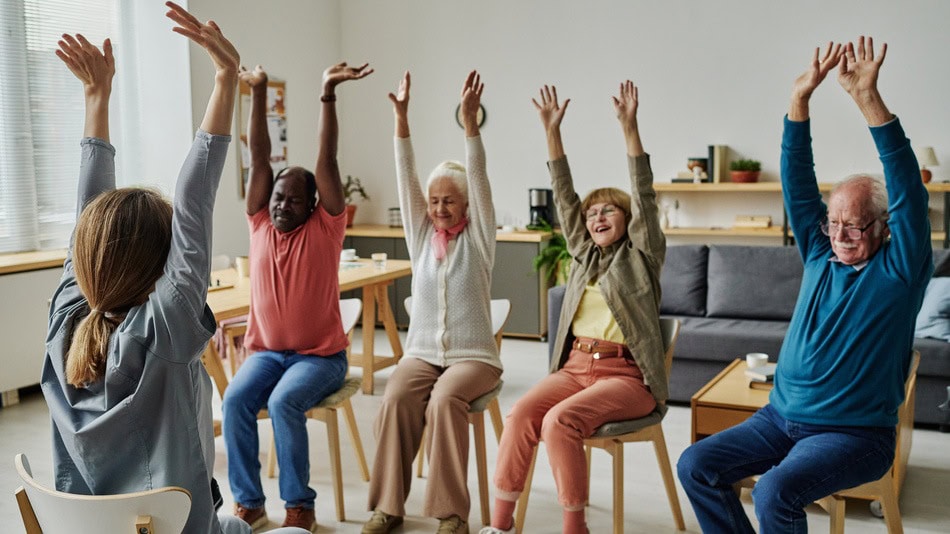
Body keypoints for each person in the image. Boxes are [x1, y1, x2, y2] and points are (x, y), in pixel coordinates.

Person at [39, 4, 306, 534]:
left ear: (84, 261)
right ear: (163, 266)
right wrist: (227, 79)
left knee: (235, 524)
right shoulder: (166, 329)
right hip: (184, 530)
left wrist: (96, 98)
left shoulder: (65, 321)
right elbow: (194, 201)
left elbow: (98, 220)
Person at [677, 37, 932, 533]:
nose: (839, 236)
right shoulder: (820, 252)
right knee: (696, 466)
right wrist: (798, 104)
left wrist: (867, 100)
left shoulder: (899, 270)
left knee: (774, 491)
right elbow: (797, 183)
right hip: (779, 419)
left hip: (854, 434)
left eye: (854, 226)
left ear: (884, 227)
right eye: (832, 223)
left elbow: (907, 189)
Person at [477, 81, 667, 534]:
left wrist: (629, 127)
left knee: (560, 422)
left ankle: (573, 527)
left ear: (627, 221)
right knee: (522, 414)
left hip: (626, 377)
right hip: (573, 368)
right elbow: (564, 198)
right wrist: (551, 133)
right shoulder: (584, 258)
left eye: (608, 211)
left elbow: (644, 193)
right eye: (592, 214)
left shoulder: (642, 257)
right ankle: (499, 526)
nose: (597, 218)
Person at [221, 61, 372, 532]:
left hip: (320, 359)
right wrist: (259, 90)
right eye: (277, 198)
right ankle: (249, 502)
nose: (281, 204)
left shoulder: (326, 229)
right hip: (267, 353)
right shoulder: (259, 222)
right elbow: (260, 157)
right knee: (234, 402)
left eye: (292, 199)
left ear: (313, 204)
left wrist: (326, 92)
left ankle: (299, 506)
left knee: (285, 403)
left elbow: (326, 160)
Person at [361, 70, 503, 534]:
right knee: (397, 395)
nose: (440, 208)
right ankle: (387, 507)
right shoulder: (423, 237)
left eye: (450, 201)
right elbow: (406, 178)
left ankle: (450, 514)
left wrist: (470, 127)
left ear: (466, 207)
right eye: (434, 200)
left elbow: (478, 178)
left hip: (474, 357)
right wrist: (401, 121)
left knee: (444, 401)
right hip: (422, 353)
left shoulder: (479, 241)